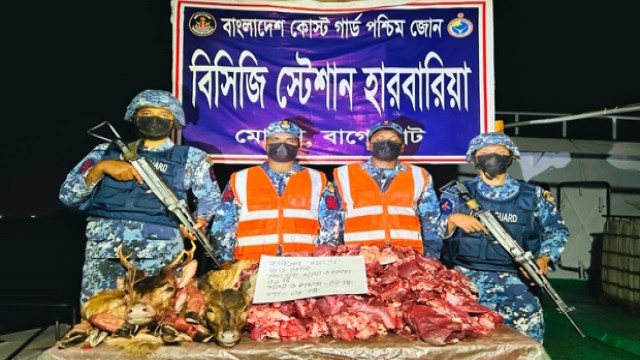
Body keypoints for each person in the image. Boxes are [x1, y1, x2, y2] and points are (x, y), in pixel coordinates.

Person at [59, 89, 222, 308]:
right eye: (147, 113)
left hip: (159, 253)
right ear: (135, 116)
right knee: (99, 316)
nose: (155, 119)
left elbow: (210, 199)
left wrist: (198, 221)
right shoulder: (104, 151)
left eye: (164, 115)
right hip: (105, 251)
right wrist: (100, 169)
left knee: (155, 318)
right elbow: (68, 197)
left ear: (174, 121)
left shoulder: (191, 157)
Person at [436, 132, 570, 342]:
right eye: (485, 152)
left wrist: (545, 258)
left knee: (524, 347)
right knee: (469, 349)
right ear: (474, 158)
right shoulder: (455, 194)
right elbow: (431, 234)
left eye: (500, 152)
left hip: (520, 284)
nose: (493, 157)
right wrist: (451, 219)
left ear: (511, 157)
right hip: (468, 284)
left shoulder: (533, 195)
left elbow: (557, 230)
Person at [207, 118, 342, 264]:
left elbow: (331, 225)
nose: (282, 144)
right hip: (251, 267)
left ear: (299, 145)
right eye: (275, 139)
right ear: (265, 144)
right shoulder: (240, 179)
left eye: (290, 140)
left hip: (303, 266)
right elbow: (223, 226)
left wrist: (323, 260)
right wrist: (225, 262)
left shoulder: (318, 180)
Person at [332, 120, 442, 259]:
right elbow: (334, 221)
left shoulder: (419, 175)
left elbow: (430, 221)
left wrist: (431, 258)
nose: (386, 143)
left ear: (402, 147)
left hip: (407, 259)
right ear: (368, 145)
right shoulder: (345, 174)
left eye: (393, 139)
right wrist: (336, 258)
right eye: (379, 139)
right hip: (360, 258)